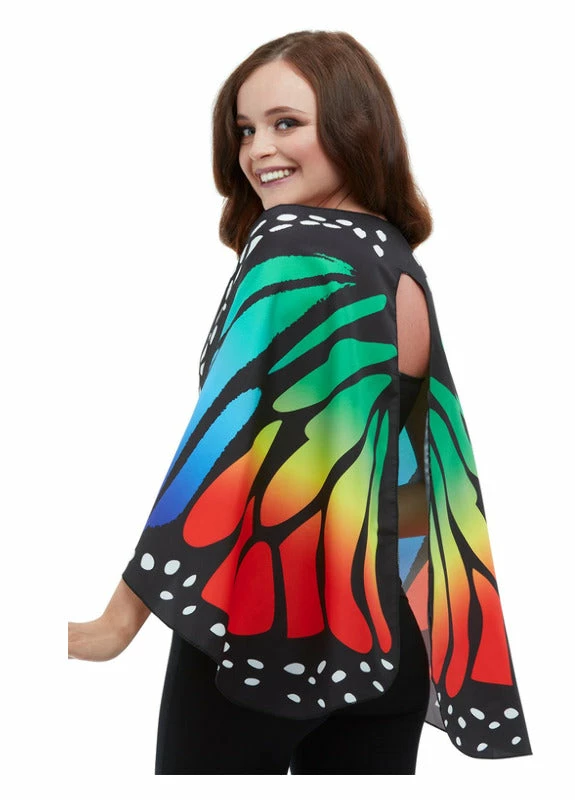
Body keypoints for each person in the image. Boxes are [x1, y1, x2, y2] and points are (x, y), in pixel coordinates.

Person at [68, 30, 531, 774]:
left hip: (264, 625)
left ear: (353, 124)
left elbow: (221, 448)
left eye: (286, 123)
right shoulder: (396, 263)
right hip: (392, 639)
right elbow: (421, 477)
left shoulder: (290, 244)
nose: (259, 151)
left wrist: (117, 622)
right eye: (245, 129)